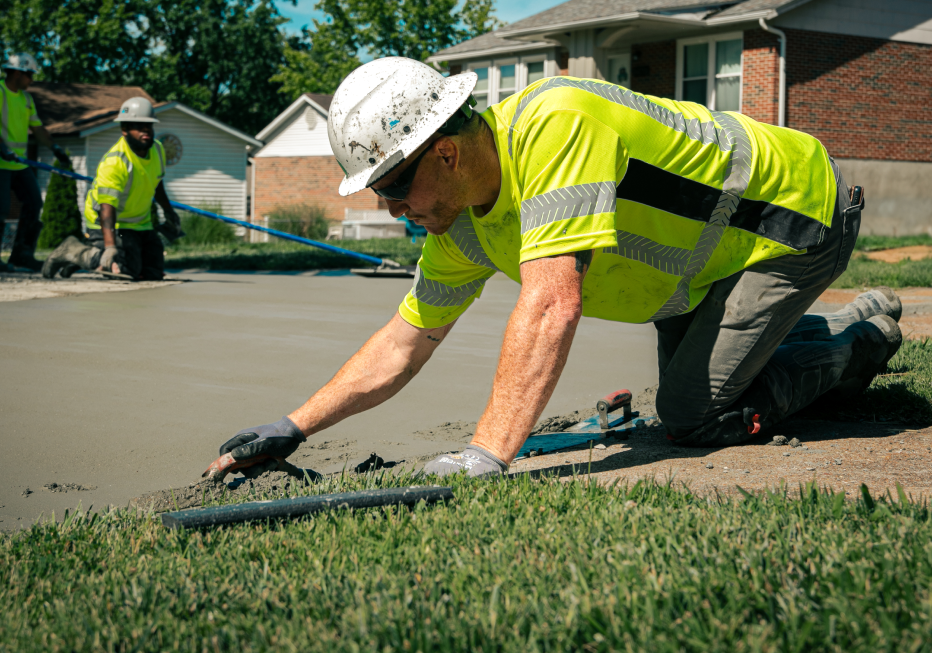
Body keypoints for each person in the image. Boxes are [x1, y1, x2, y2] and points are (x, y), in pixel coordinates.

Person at [216, 57, 902, 479]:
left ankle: (858, 345)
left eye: (391, 189)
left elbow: (551, 304)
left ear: (445, 156)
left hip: (794, 219)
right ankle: (851, 315)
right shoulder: (457, 228)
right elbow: (402, 345)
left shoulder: (555, 126)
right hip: (707, 270)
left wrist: (487, 454)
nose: (390, 209)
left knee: (693, 415)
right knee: (699, 385)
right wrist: (292, 426)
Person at [42, 97, 181, 282]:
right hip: (110, 224)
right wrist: (110, 246)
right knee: (123, 270)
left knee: (152, 273)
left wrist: (169, 212)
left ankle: (86, 257)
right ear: (124, 130)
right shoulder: (115, 162)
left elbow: (157, 182)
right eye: (138, 126)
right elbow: (107, 208)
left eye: (148, 125)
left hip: (140, 223)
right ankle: (74, 251)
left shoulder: (158, 149)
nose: (145, 130)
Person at [0, 52, 71, 272]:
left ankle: (22, 254)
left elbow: (38, 129)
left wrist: (55, 148)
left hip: (19, 164)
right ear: (19, 73)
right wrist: (2, 149)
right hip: (1, 163)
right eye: (30, 75)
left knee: (33, 203)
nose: (32, 80)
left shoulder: (26, 99)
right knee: (0, 210)